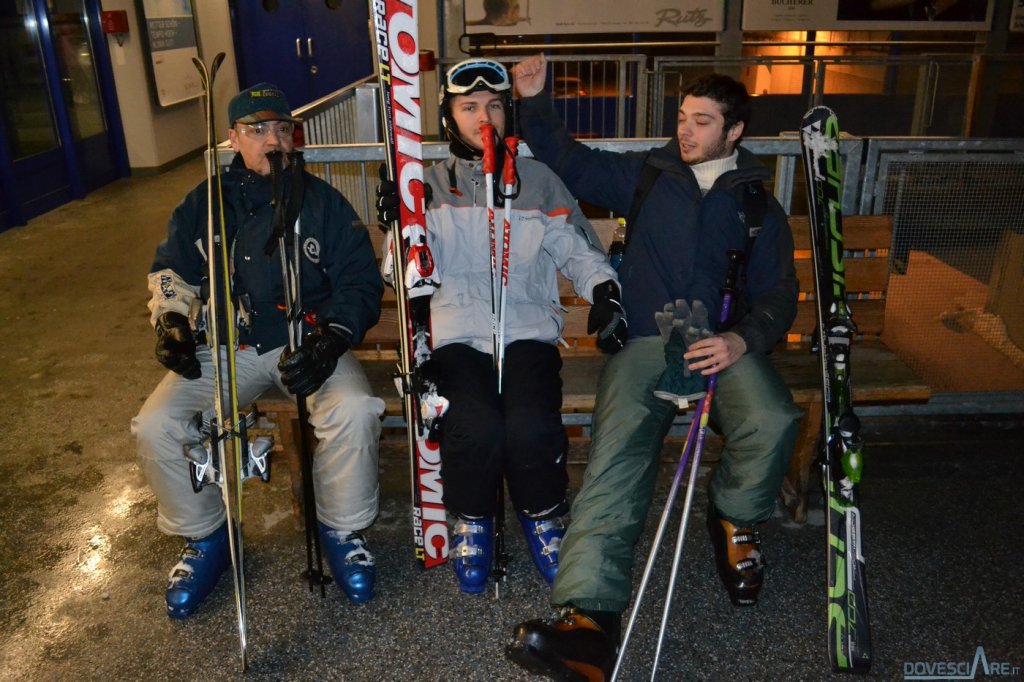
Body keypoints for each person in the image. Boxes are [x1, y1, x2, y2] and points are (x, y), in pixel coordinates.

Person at [505, 55, 804, 679]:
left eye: (702, 121)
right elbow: (568, 157)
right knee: (617, 454)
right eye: (681, 118)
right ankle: (586, 618)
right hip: (648, 338)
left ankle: (735, 517)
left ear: (735, 131)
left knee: (773, 419)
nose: (687, 131)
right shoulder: (648, 174)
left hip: (719, 344)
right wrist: (534, 98)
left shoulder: (757, 206)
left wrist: (741, 341)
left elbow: (780, 293)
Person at [132, 82, 386, 618]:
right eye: (257, 129)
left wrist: (333, 338)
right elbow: (172, 271)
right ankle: (206, 536)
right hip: (228, 346)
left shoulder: (322, 202)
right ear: (232, 139)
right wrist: (174, 322)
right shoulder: (204, 203)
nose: (273, 140)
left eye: (282, 129)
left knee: (355, 409)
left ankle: (341, 530)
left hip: (304, 341)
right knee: (156, 423)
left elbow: (360, 281)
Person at [376, 58, 626, 594]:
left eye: (493, 105)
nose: (482, 116)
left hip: (527, 332)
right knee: (476, 425)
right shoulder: (429, 184)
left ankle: (544, 514)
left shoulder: (536, 180)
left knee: (531, 424)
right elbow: (404, 278)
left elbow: (576, 249)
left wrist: (604, 291)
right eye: (469, 107)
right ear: (449, 116)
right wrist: (401, 227)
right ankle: (472, 517)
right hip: (457, 336)